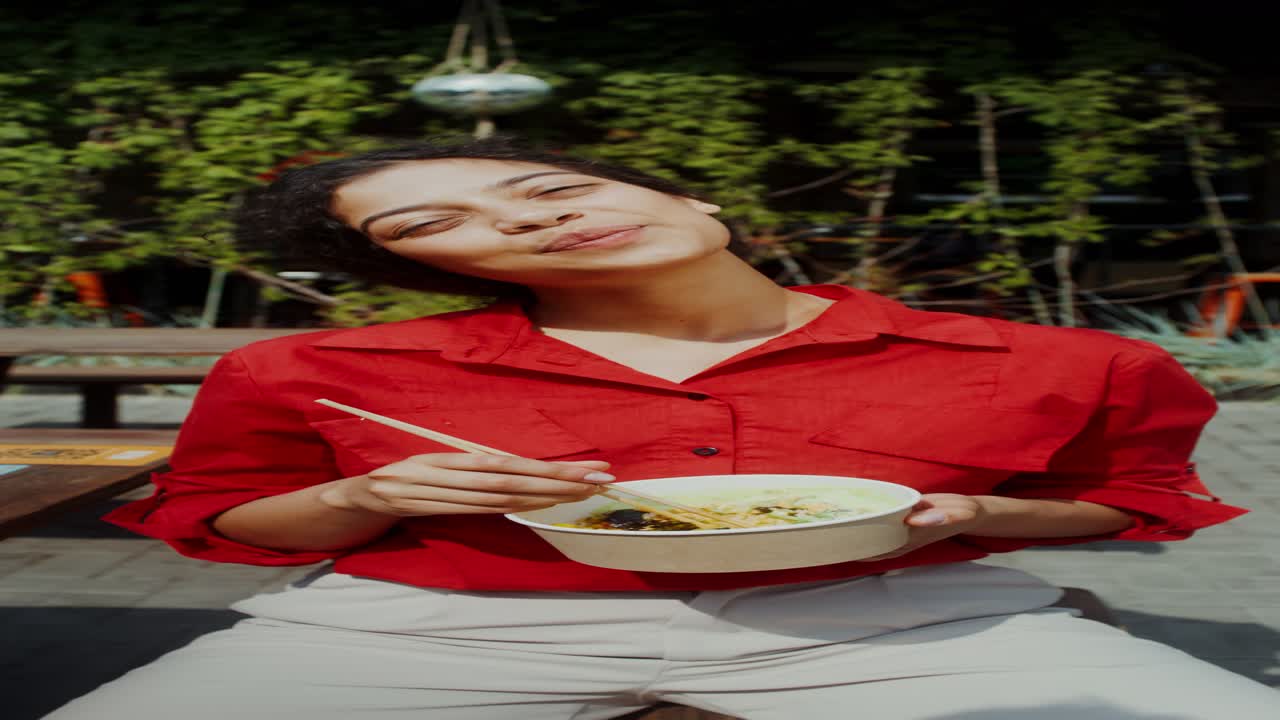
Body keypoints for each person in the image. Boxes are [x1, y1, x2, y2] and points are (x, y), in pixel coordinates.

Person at [47, 137, 1276, 719]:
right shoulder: (309, 367)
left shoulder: (1064, 359)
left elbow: (1133, 500)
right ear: (420, 275)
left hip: (892, 622)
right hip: (436, 625)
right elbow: (222, 513)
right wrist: (371, 499)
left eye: (551, 186)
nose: (526, 220)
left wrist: (983, 516)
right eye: (431, 224)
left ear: (683, 196)